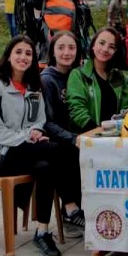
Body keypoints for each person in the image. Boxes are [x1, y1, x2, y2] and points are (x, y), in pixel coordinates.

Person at [0, 36, 85, 256]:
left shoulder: (33, 87)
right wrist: (27, 136)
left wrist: (36, 132)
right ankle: (71, 206)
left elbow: (38, 120)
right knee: (60, 149)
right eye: (18, 52)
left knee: (46, 167)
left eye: (28, 53)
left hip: (28, 150)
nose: (23, 57)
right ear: (9, 55)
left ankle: (42, 231)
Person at [38, 31, 87, 237]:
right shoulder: (47, 80)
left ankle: (81, 209)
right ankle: (70, 209)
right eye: (61, 48)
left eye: (71, 48)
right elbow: (47, 121)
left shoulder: (79, 75)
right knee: (67, 151)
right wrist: (71, 137)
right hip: (55, 136)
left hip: (75, 133)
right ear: (53, 51)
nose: (66, 52)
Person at [67, 27, 128, 132]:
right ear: (93, 45)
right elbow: (76, 109)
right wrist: (96, 131)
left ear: (115, 51)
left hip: (115, 135)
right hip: (88, 136)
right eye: (101, 43)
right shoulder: (79, 75)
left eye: (111, 46)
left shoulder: (119, 77)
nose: (105, 49)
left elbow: (126, 108)